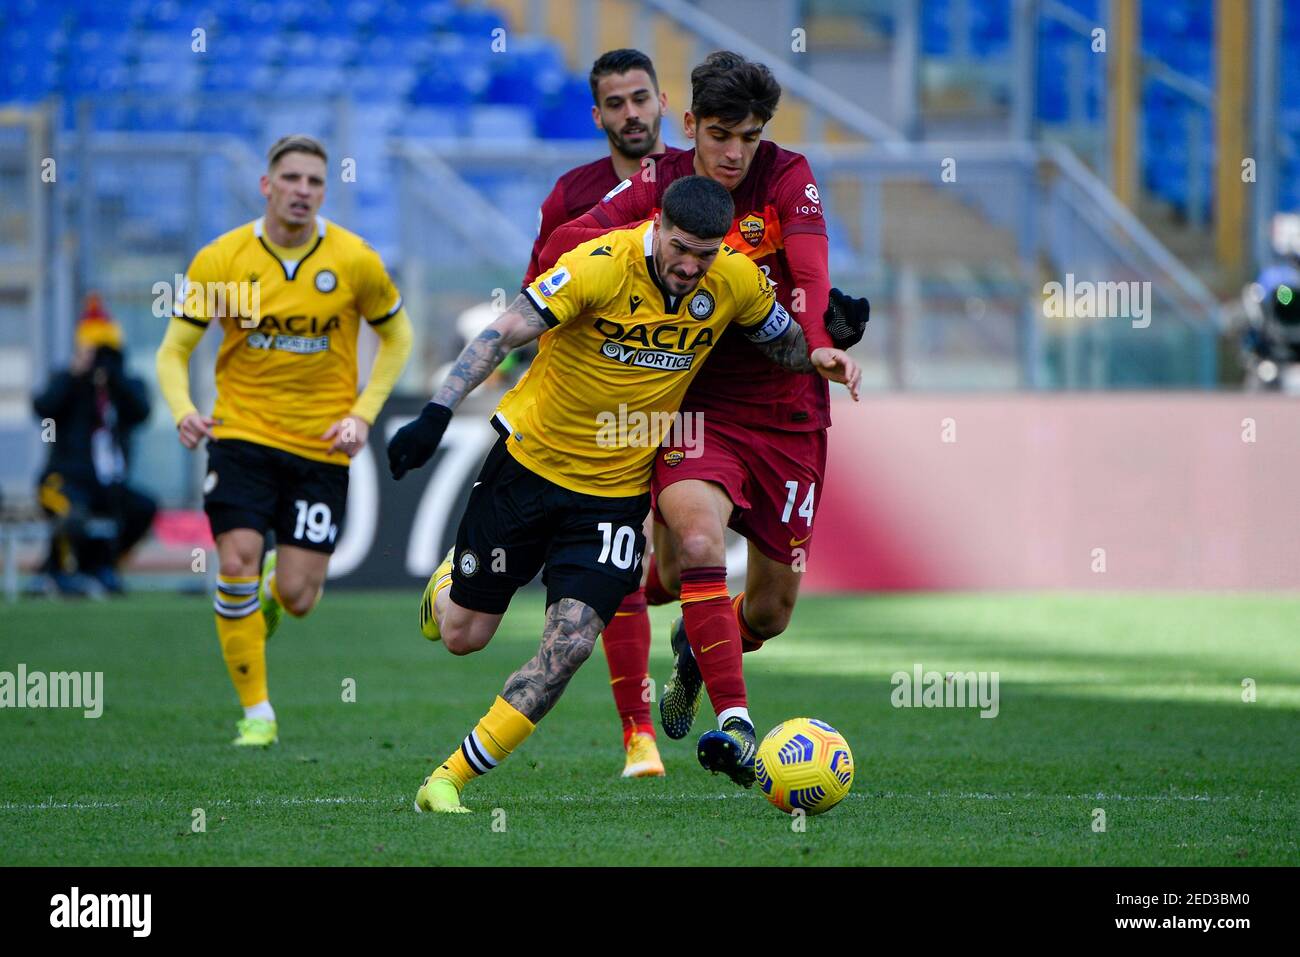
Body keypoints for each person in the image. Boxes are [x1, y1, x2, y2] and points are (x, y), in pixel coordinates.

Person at [387, 175, 860, 813]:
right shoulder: (599, 265)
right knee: (464, 635)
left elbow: (787, 349)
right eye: (682, 247)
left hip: (613, 497)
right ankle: (447, 588)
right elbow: (502, 332)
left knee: (570, 644)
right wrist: (438, 412)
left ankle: (446, 780)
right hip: (529, 465)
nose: (692, 265)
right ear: (658, 226)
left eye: (707, 252)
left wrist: (829, 342)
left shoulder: (736, 281)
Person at [538, 51, 870, 787]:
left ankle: (695, 637)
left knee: (771, 610)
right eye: (721, 134)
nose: (734, 152)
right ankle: (737, 728)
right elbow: (579, 237)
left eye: (749, 136)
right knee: (694, 537)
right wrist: (553, 289)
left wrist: (819, 341)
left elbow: (813, 273)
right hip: (698, 409)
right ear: (689, 126)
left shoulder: (788, 175)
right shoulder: (662, 183)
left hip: (789, 413)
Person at [155, 134, 413, 747]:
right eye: (291, 179)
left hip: (321, 444)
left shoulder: (353, 260)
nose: (302, 191)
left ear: (325, 191)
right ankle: (258, 714)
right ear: (266, 186)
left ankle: (276, 588)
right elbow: (175, 349)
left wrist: (362, 415)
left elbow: (398, 337)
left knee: (298, 598)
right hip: (240, 434)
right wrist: (183, 410)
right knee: (236, 558)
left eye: (314, 183)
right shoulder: (223, 260)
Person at [521, 47, 684, 779]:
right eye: (615, 103)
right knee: (622, 561)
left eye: (640, 98)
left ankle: (694, 649)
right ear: (597, 115)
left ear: (661, 101)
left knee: (675, 570)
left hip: (684, 399)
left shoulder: (696, 180)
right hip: (596, 415)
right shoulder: (571, 195)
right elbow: (537, 298)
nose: (631, 113)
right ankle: (638, 735)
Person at [34, 295, 156, 596]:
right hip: (62, 479)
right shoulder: (68, 381)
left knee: (142, 508)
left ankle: (104, 565)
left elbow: (141, 412)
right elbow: (43, 408)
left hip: (107, 484)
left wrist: (112, 377)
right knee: (73, 511)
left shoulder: (125, 385)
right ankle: (57, 572)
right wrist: (76, 375)